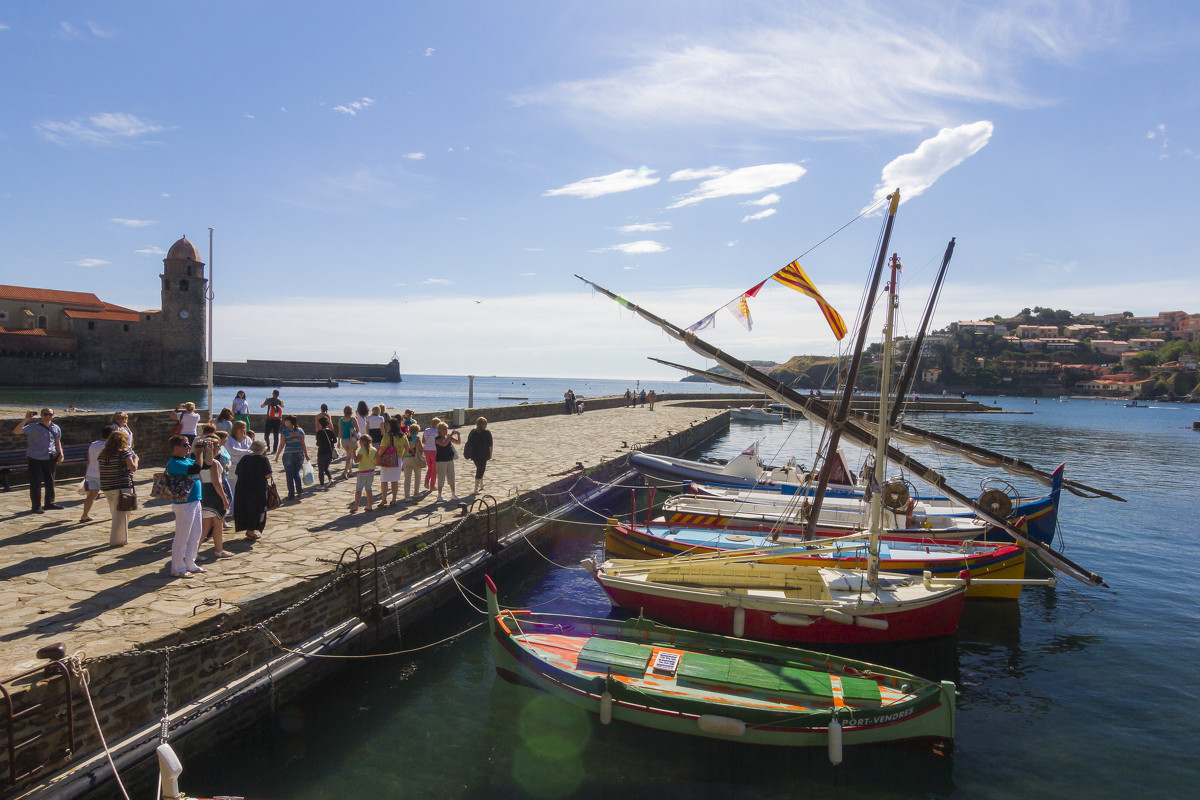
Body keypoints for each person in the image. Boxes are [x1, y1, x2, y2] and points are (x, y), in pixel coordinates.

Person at [167, 434, 208, 578]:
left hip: (194, 500)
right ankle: (178, 567)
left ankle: (190, 562)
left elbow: (204, 465)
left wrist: (203, 451)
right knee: (182, 536)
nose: (188, 447)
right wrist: (199, 452)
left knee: (196, 533)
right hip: (184, 503)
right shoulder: (174, 463)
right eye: (185, 445)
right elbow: (195, 469)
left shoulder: (186, 459)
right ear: (176, 447)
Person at [12, 408, 64, 514]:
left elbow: (57, 442)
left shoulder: (56, 427)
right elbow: (16, 431)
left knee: (50, 481)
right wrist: (26, 419)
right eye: (45, 414)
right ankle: (36, 506)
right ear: (41, 415)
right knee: (35, 483)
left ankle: (49, 503)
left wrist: (61, 453)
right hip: (35, 458)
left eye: (50, 414)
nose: (47, 416)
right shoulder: (33, 427)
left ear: (53, 415)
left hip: (50, 457)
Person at [98, 429, 138, 547]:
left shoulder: (103, 454)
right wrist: (136, 459)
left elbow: (100, 470)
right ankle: (118, 540)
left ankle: (120, 537)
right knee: (122, 513)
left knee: (115, 512)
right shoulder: (123, 452)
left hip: (107, 485)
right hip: (121, 486)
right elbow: (133, 468)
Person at [197, 437, 232, 560]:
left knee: (206, 526)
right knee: (218, 524)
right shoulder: (214, 463)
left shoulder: (199, 462)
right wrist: (224, 498)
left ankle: (194, 552)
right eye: (218, 447)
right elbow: (216, 482)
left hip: (204, 492)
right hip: (214, 493)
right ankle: (219, 550)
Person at [233, 439, 272, 541]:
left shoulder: (244, 458)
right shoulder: (263, 460)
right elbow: (268, 475)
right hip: (257, 489)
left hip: (243, 487)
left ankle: (248, 529)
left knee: (245, 507)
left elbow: (237, 472)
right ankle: (251, 531)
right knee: (256, 509)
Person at [80, 424, 115, 522]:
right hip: (105, 475)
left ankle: (85, 514)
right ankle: (114, 514)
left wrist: (86, 472)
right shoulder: (110, 446)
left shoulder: (93, 444)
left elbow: (89, 460)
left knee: (91, 495)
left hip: (91, 473)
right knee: (111, 496)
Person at [274, 414, 309, 501]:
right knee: (296, 473)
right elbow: (303, 444)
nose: (284, 422)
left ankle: (291, 494)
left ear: (289, 421)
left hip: (289, 454)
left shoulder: (284, 432)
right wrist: (306, 454)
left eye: (286, 420)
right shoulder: (301, 431)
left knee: (289, 475)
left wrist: (277, 455)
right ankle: (300, 492)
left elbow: (282, 445)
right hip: (299, 454)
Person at [377, 417, 405, 506]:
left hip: (387, 459)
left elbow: (383, 447)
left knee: (384, 480)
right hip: (398, 459)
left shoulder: (387, 436)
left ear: (390, 426)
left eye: (388, 425)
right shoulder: (402, 435)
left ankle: (384, 499)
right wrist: (401, 457)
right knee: (395, 480)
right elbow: (407, 447)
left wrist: (378, 456)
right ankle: (394, 499)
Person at [463, 417, 493, 494]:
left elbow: (469, 442)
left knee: (480, 468)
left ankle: (481, 484)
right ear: (483, 424)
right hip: (483, 454)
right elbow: (490, 445)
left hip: (474, 454)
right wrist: (490, 453)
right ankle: (476, 489)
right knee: (480, 469)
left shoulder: (473, 432)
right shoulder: (487, 433)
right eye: (485, 423)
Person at [434, 421, 461, 502]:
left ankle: (453, 493)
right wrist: (451, 435)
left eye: (446, 429)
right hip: (441, 460)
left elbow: (458, 442)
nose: (446, 431)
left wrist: (458, 435)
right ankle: (439, 495)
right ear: (440, 430)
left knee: (451, 476)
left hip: (449, 459)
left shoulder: (448, 436)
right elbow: (443, 444)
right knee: (441, 477)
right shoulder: (437, 438)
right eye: (444, 429)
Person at [225, 420, 253, 498]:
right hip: (233, 467)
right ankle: (232, 508)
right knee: (232, 489)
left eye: (244, 428)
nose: (242, 430)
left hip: (245, 467)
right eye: (240, 428)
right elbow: (232, 450)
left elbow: (252, 449)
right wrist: (247, 452)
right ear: (235, 429)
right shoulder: (229, 439)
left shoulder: (247, 439)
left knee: (244, 489)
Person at [351, 434, 376, 513]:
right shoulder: (374, 449)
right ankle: (369, 505)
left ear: (364, 442)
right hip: (371, 471)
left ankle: (356, 506)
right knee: (369, 488)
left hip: (362, 472)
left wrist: (353, 452)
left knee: (359, 489)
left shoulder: (362, 450)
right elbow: (377, 460)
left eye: (360, 441)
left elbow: (356, 460)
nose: (359, 443)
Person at [401, 423, 425, 501]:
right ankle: (416, 492)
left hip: (406, 458)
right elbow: (421, 448)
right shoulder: (417, 438)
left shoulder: (406, 437)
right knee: (417, 476)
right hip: (415, 458)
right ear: (417, 431)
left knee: (407, 478)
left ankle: (407, 496)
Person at [314, 416, 337, 487]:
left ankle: (321, 485)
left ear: (320, 424)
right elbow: (335, 440)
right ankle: (330, 479)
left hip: (322, 452)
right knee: (326, 467)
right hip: (330, 453)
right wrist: (330, 442)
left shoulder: (319, 433)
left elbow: (318, 443)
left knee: (321, 469)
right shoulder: (330, 431)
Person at [339, 406, 359, 479]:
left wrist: (338, 441)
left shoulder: (340, 420)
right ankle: (345, 472)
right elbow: (358, 429)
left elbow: (340, 431)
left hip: (344, 439)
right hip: (351, 439)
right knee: (349, 457)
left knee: (349, 456)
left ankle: (350, 472)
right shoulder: (353, 419)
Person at [422, 417, 442, 490]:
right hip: (435, 451)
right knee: (435, 469)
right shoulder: (438, 432)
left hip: (426, 451)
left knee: (430, 467)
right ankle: (432, 485)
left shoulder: (426, 430)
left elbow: (423, 441)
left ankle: (426, 481)